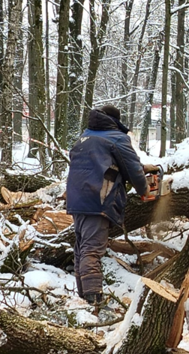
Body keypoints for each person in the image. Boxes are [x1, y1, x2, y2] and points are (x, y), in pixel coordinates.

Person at [65, 105, 157, 311]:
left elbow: (104, 163)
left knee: (81, 248)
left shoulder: (85, 136)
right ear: (115, 121)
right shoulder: (117, 138)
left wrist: (142, 168)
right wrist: (145, 189)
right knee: (92, 249)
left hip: (77, 198)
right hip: (97, 198)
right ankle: (92, 300)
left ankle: (83, 298)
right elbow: (131, 167)